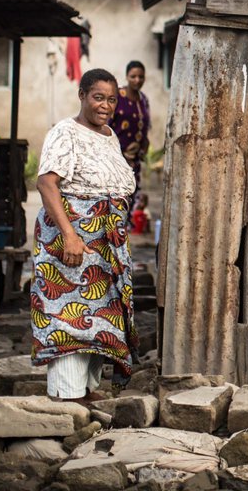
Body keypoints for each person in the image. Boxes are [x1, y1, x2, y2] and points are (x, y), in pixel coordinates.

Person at [32, 68, 137, 402]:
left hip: (106, 244)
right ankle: (66, 392)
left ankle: (87, 388)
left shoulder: (109, 135)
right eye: (98, 97)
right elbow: (47, 183)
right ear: (82, 95)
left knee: (101, 314)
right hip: (73, 239)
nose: (105, 105)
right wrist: (69, 236)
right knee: (68, 312)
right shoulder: (65, 132)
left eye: (111, 99)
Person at [110, 61, 149, 203]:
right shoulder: (117, 96)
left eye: (141, 76)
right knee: (116, 199)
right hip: (116, 159)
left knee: (131, 199)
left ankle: (127, 226)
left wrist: (144, 146)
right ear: (127, 76)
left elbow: (145, 127)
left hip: (135, 161)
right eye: (133, 76)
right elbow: (106, 125)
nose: (137, 80)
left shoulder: (143, 100)